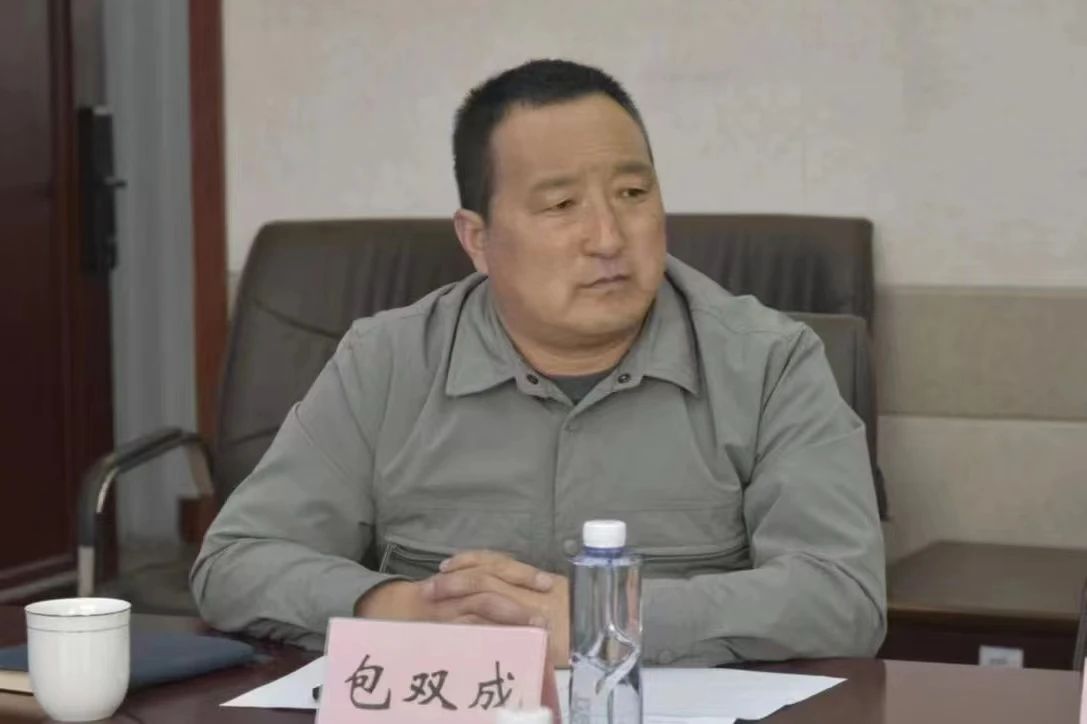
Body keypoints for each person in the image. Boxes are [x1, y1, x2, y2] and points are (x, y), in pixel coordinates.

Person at [191, 59, 886, 666]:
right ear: (477, 239)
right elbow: (236, 562)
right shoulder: (387, 363)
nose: (608, 237)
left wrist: (605, 620)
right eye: (560, 204)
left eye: (633, 194)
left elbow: (842, 595)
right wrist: (394, 607)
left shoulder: (769, 363)